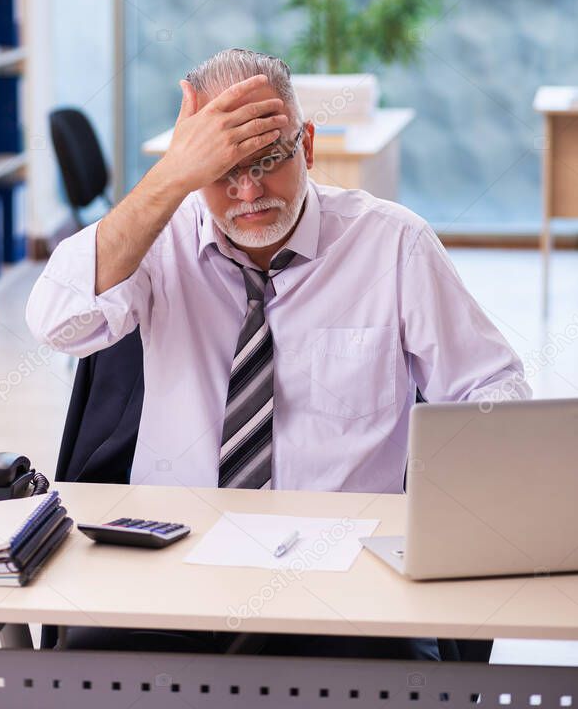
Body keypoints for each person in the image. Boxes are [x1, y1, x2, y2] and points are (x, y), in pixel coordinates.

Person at [27, 47, 530, 661]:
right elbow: (57, 323)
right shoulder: (159, 241)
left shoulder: (393, 245)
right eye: (221, 170)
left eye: (268, 159)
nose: (248, 190)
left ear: (308, 146)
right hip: (171, 571)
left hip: (344, 584)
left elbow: (493, 396)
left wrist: (440, 518)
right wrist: (169, 179)